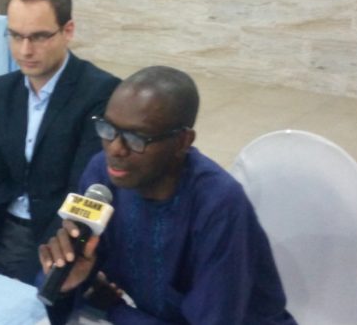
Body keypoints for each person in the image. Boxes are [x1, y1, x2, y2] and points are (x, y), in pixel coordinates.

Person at [39, 66, 296, 324]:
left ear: (183, 141)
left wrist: (116, 311)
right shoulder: (104, 175)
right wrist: (65, 283)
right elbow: (83, 292)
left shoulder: (219, 204)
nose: (115, 148)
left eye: (136, 138)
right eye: (108, 129)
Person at [0, 0, 120, 283]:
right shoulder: (4, 90)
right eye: (15, 36)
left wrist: (48, 258)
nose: (24, 50)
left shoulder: (100, 93)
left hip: (54, 238)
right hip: (0, 227)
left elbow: (83, 193)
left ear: (68, 31)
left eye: (39, 37)